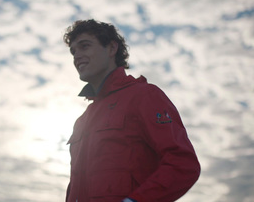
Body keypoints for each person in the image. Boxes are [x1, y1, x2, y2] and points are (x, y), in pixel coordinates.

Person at [63, 19, 200, 202]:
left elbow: (183, 163)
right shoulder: (82, 120)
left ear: (112, 48)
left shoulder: (144, 96)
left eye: (84, 46)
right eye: (73, 51)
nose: (76, 56)